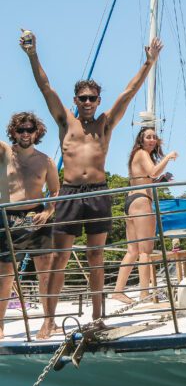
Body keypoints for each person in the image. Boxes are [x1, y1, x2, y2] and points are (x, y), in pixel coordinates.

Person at [20, 31, 162, 337]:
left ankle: (98, 317)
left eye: (92, 98)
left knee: (96, 257)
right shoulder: (64, 122)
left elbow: (129, 91)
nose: (87, 102)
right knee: (60, 258)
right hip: (69, 193)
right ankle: (48, 319)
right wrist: (32, 54)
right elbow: (45, 87)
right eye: (82, 98)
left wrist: (148, 63)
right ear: (75, 100)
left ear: (98, 100)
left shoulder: (106, 123)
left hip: (98, 193)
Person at [0, 113, 59, 339]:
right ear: (13, 132)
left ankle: (48, 322)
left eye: (30, 129)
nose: (25, 134)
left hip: (36, 217)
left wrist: (47, 211)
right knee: (5, 275)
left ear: (37, 132)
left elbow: (54, 191)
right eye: (21, 130)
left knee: (46, 273)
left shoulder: (46, 161)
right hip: (8, 217)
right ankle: (0, 325)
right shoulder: (5, 152)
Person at [112, 128, 178, 303]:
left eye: (154, 137)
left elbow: (148, 177)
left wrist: (160, 180)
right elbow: (153, 172)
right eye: (148, 137)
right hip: (141, 202)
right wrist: (168, 157)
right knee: (145, 252)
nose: (152, 140)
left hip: (131, 201)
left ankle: (118, 291)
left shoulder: (138, 155)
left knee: (132, 251)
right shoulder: (142, 153)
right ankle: (144, 293)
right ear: (141, 140)